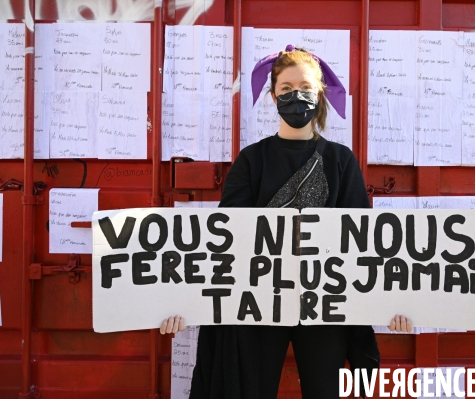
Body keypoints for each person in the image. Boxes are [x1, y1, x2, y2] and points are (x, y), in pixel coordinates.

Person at [160, 45, 413, 399]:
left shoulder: (341, 161)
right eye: (286, 89)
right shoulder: (251, 161)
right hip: (260, 306)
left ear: (320, 92)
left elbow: (363, 243)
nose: (297, 96)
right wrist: (183, 302)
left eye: (306, 88)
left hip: (324, 305)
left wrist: (394, 304)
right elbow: (223, 241)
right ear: (273, 95)